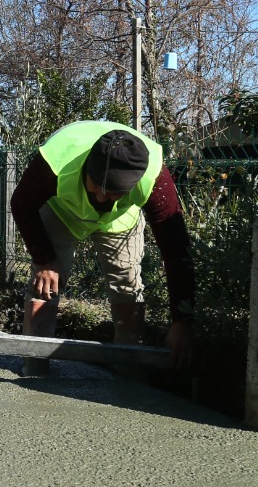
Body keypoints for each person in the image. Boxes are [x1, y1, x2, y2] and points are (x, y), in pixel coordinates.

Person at [10, 121, 195, 368]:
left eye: (113, 192)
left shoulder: (153, 177)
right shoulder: (58, 158)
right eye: (97, 187)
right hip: (62, 211)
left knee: (127, 286)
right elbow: (22, 203)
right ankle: (34, 367)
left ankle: (128, 372)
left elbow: (176, 248)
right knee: (45, 285)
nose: (100, 197)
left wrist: (182, 320)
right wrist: (44, 260)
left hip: (119, 220)